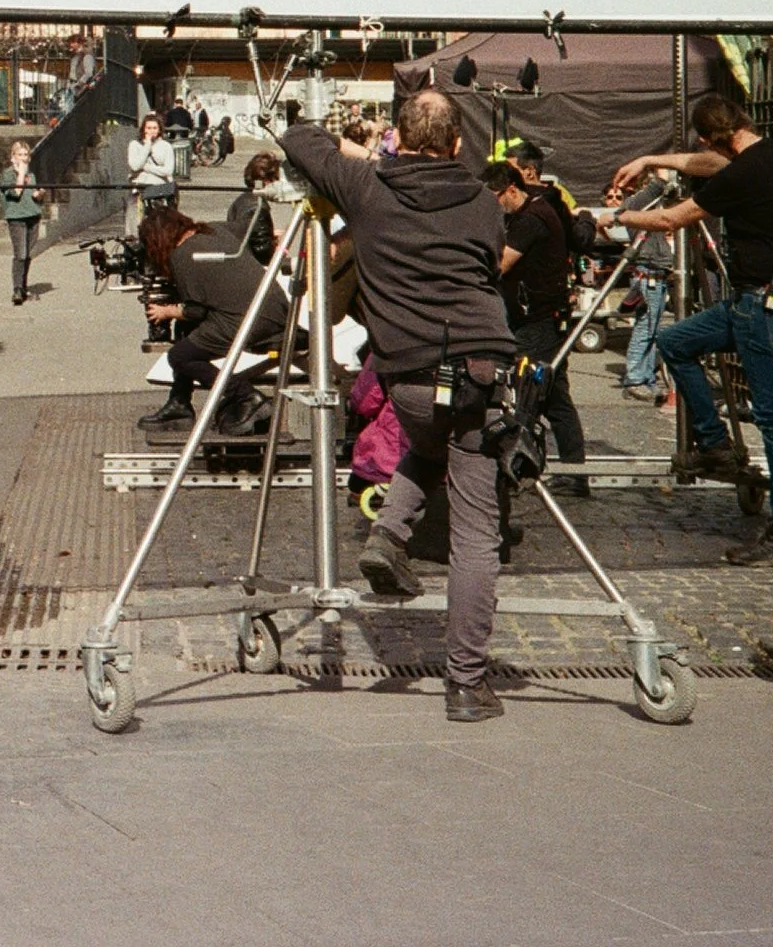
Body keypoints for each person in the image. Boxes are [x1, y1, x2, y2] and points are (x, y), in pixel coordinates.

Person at [282, 88, 515, 723]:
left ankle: (387, 536)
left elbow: (299, 138)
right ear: (459, 146)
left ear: (398, 137)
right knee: (475, 531)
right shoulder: (484, 200)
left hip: (409, 372)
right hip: (478, 365)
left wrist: (369, 152)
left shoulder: (369, 186)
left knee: (423, 441)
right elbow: (490, 265)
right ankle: (466, 683)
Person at [609, 93, 773, 566]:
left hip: (763, 305)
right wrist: (649, 158)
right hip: (768, 300)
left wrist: (617, 218)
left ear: (711, 136)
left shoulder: (741, 174)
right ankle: (715, 443)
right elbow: (705, 162)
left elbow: (670, 218)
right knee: (674, 341)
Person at [135, 205, 288, 436]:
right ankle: (180, 404)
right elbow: (250, 223)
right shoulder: (215, 230)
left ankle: (246, 395)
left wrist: (166, 312)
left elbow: (196, 311)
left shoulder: (183, 256)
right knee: (187, 332)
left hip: (252, 320)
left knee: (180, 356)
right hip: (275, 309)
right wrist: (272, 234)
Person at [482, 162, 587, 492]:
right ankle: (570, 469)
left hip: (539, 321)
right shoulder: (530, 211)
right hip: (538, 317)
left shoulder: (531, 219)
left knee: (529, 393)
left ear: (512, 189)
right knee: (552, 395)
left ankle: (517, 465)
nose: (493, 206)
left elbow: (500, 263)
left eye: (495, 198)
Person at [618, 218, 675, 403]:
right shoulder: (642, 208)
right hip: (648, 275)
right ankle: (635, 378)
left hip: (657, 275)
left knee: (650, 331)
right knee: (645, 329)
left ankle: (646, 377)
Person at [0, 139, 45, 306]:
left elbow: (34, 195)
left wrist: (39, 195)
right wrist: (20, 173)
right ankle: (17, 289)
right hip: (17, 217)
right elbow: (16, 192)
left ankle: (23, 287)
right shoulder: (8, 174)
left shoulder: (31, 176)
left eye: (26, 155)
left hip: (33, 215)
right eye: (20, 155)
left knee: (28, 254)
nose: (24, 158)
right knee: (20, 254)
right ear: (13, 157)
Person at [226, 152, 282, 265]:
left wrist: (269, 233)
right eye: (276, 179)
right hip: (251, 265)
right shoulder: (258, 207)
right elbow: (262, 251)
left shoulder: (242, 199)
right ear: (267, 181)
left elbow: (249, 232)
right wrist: (276, 245)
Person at [126, 111, 178, 233]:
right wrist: (147, 145)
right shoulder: (135, 145)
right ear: (143, 129)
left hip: (159, 191)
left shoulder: (166, 146)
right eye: (148, 128)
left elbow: (168, 170)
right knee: (135, 226)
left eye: (155, 128)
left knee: (159, 227)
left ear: (160, 129)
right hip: (139, 190)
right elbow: (135, 165)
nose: (151, 131)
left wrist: (146, 168)